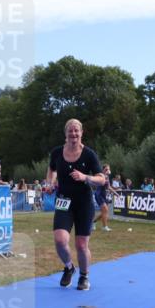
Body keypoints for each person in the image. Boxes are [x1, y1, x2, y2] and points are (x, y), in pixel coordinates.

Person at [47, 119, 106, 290]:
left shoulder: (89, 154)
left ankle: (84, 276)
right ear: (65, 134)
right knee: (60, 240)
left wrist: (85, 177)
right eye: (70, 131)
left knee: (81, 245)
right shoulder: (57, 152)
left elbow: (101, 179)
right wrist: (50, 184)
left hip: (83, 203)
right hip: (64, 201)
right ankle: (69, 267)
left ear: (81, 133)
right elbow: (52, 169)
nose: (73, 134)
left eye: (76, 131)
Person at [94, 164, 113, 232]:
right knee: (105, 210)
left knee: (104, 211)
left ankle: (93, 222)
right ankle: (104, 227)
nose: (108, 170)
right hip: (99, 194)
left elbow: (108, 187)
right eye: (106, 169)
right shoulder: (100, 175)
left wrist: (116, 193)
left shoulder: (107, 177)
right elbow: (97, 183)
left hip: (104, 195)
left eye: (108, 169)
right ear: (103, 170)